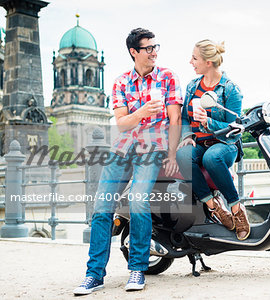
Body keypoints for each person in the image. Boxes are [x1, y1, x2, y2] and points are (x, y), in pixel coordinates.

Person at [74, 28, 182, 295]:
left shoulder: (168, 77)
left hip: (152, 149)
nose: (154, 52)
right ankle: (94, 274)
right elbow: (122, 125)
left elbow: (175, 120)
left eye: (156, 47)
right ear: (134, 52)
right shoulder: (121, 81)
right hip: (122, 149)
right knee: (101, 208)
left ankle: (137, 269)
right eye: (148, 48)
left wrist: (171, 154)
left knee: (137, 199)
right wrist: (143, 111)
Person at [176, 39, 250, 240]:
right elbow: (184, 117)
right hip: (199, 143)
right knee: (182, 155)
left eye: (194, 58)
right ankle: (214, 206)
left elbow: (233, 129)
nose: (190, 61)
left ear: (208, 62)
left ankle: (236, 208)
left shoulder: (231, 89)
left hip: (225, 145)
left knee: (211, 158)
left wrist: (208, 122)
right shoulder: (192, 86)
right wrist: (187, 135)